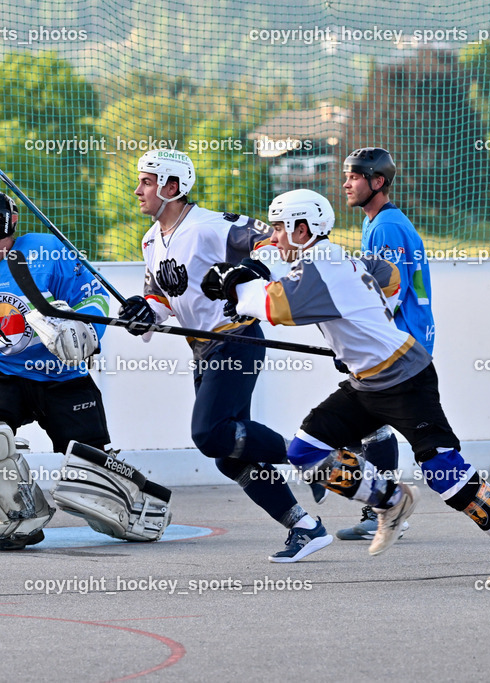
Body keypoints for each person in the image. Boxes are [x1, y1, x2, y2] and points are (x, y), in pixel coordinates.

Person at [204, 189, 490, 583]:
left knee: (444, 472)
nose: (276, 238)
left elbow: (273, 307)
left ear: (303, 229)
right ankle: (390, 500)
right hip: (366, 382)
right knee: (306, 453)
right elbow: (386, 280)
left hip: (405, 379)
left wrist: (237, 285)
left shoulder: (321, 264)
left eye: (283, 229)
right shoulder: (330, 257)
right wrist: (356, 328)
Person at [0, 188, 171, 551]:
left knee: (89, 473)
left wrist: (85, 331)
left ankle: (137, 509)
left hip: (62, 376)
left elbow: (90, 297)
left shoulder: (45, 250)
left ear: (3, 223)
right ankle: (19, 512)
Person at [118, 150, 331, 563]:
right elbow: (161, 298)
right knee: (229, 457)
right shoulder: (149, 240)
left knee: (210, 435)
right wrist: (143, 313)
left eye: (146, 181)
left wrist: (249, 275)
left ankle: (314, 456)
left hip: (237, 341)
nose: (137, 189)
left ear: (172, 187)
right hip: (203, 349)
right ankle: (304, 526)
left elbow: (273, 243)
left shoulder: (212, 226)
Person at [331, 147, 436, 541]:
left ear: (377, 182)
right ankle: (386, 508)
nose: (347, 183)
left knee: (376, 428)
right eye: (347, 176)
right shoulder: (378, 222)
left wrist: (364, 342)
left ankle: (390, 509)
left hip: (399, 345)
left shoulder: (387, 227)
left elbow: (389, 291)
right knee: (370, 426)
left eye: (355, 177)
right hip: (398, 342)